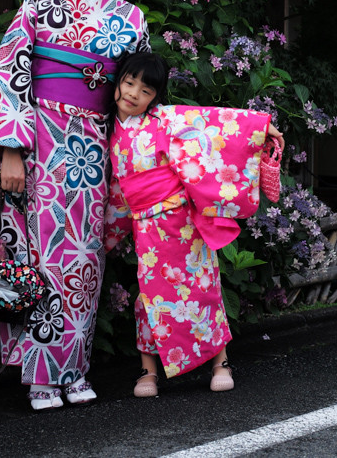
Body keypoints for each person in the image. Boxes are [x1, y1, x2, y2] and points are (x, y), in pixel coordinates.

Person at [0, 0, 150, 411]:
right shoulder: (40, 0)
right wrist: (9, 149)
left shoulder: (132, 19)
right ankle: (41, 377)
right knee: (38, 257)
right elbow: (9, 70)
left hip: (93, 147)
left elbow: (136, 99)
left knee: (83, 260)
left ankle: (74, 369)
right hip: (40, 141)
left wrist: (134, 160)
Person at [103, 53, 284, 396]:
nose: (133, 94)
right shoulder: (108, 131)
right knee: (149, 296)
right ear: (117, 83)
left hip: (182, 223)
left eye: (145, 90)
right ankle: (147, 370)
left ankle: (221, 362)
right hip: (146, 228)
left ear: (155, 97)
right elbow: (116, 190)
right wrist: (106, 235)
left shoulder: (165, 119)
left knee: (202, 285)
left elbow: (214, 123)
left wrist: (260, 128)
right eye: (128, 83)